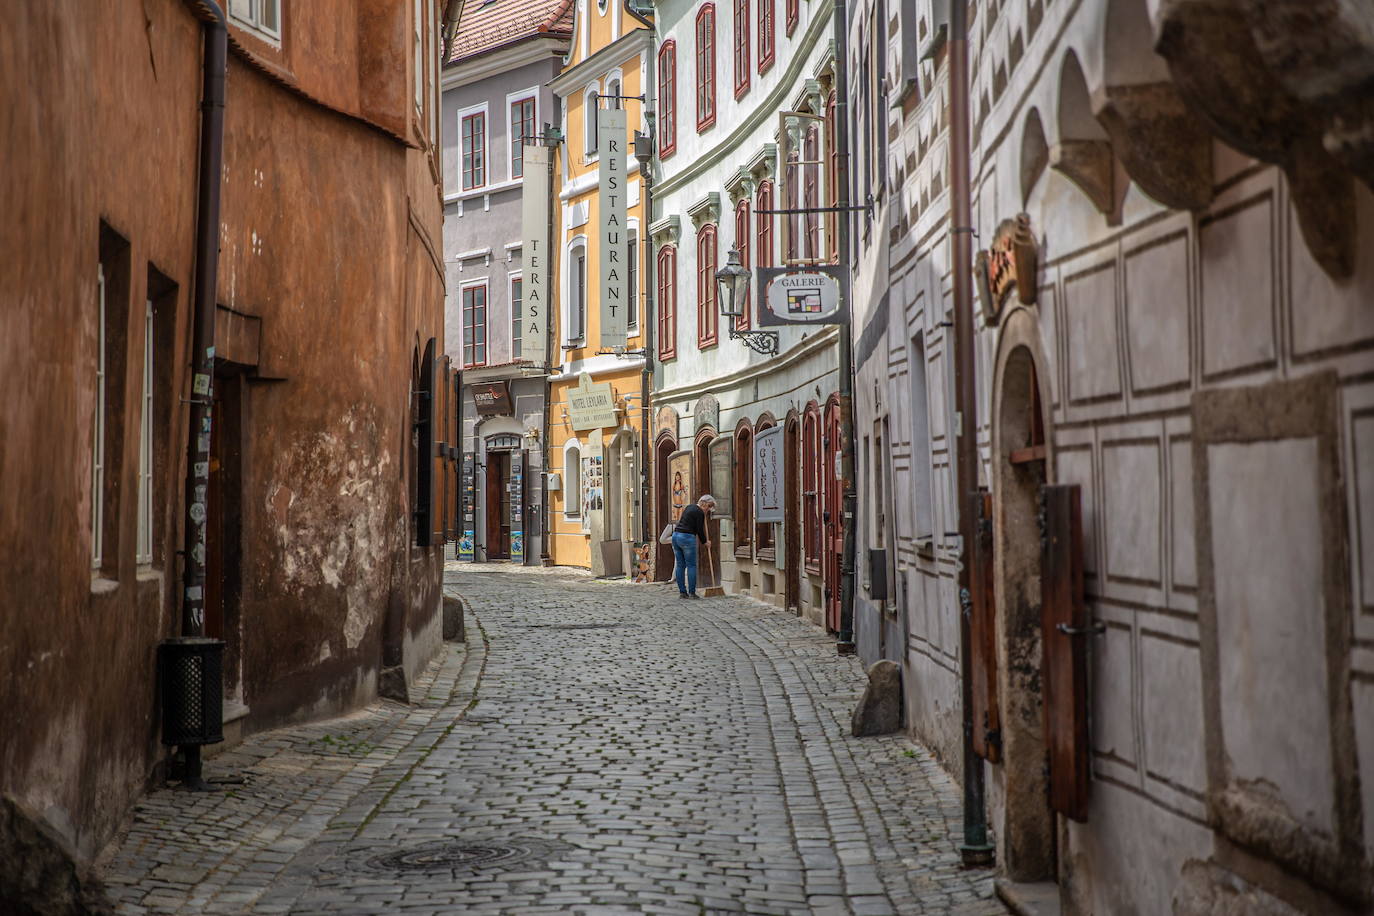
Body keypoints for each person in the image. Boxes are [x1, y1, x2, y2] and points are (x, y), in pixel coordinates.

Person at [672, 494, 715, 599]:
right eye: (709, 507)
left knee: (680, 565)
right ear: (704, 503)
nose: (708, 510)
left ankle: (682, 592)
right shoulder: (700, 512)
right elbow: (700, 530)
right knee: (691, 565)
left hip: (676, 536)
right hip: (687, 538)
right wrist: (705, 542)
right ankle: (692, 592)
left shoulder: (689, 507)